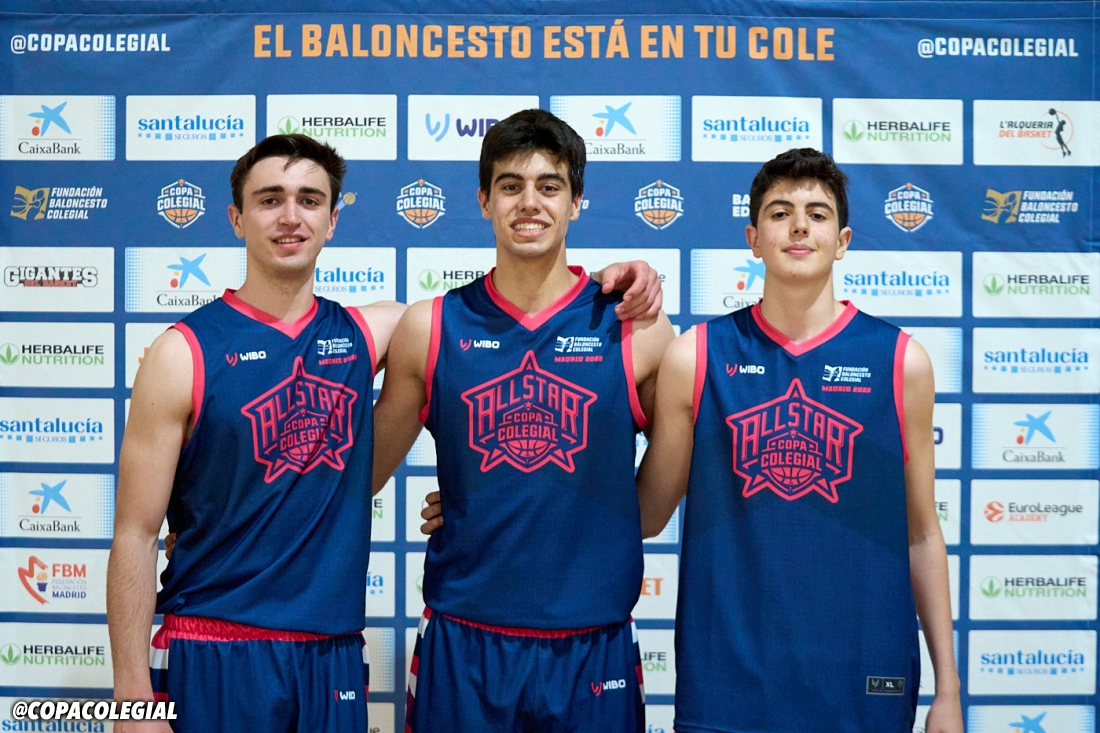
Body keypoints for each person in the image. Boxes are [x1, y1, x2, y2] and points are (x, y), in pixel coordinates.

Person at [107, 132, 661, 733]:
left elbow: (526, 304)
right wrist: (131, 701)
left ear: (332, 220)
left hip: (333, 654)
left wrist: (615, 277)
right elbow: (135, 533)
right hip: (213, 640)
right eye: (269, 200)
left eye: (309, 200)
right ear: (237, 218)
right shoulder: (182, 353)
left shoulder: (377, 332)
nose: (290, 216)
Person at [634, 148, 963, 733]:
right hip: (727, 683)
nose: (799, 226)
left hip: (863, 682)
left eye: (817, 214)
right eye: (780, 213)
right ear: (753, 239)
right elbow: (646, 513)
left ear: (842, 241)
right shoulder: (697, 357)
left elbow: (921, 534)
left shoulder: (901, 362)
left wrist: (949, 690)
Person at [373, 109, 674, 733]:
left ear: (577, 202)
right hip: (464, 641)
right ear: (484, 201)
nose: (529, 202)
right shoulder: (430, 327)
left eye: (549, 185)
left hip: (592, 644)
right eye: (510, 185)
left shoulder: (635, 328)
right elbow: (354, 479)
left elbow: (648, 512)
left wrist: (548, 500)